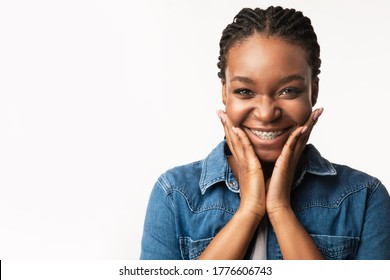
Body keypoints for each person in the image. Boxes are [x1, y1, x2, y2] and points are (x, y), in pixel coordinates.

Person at [140, 6, 390, 260]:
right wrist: (249, 210)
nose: (267, 113)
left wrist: (280, 209)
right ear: (224, 92)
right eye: (245, 92)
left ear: (313, 91)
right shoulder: (174, 195)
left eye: (288, 91)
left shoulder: (364, 197)